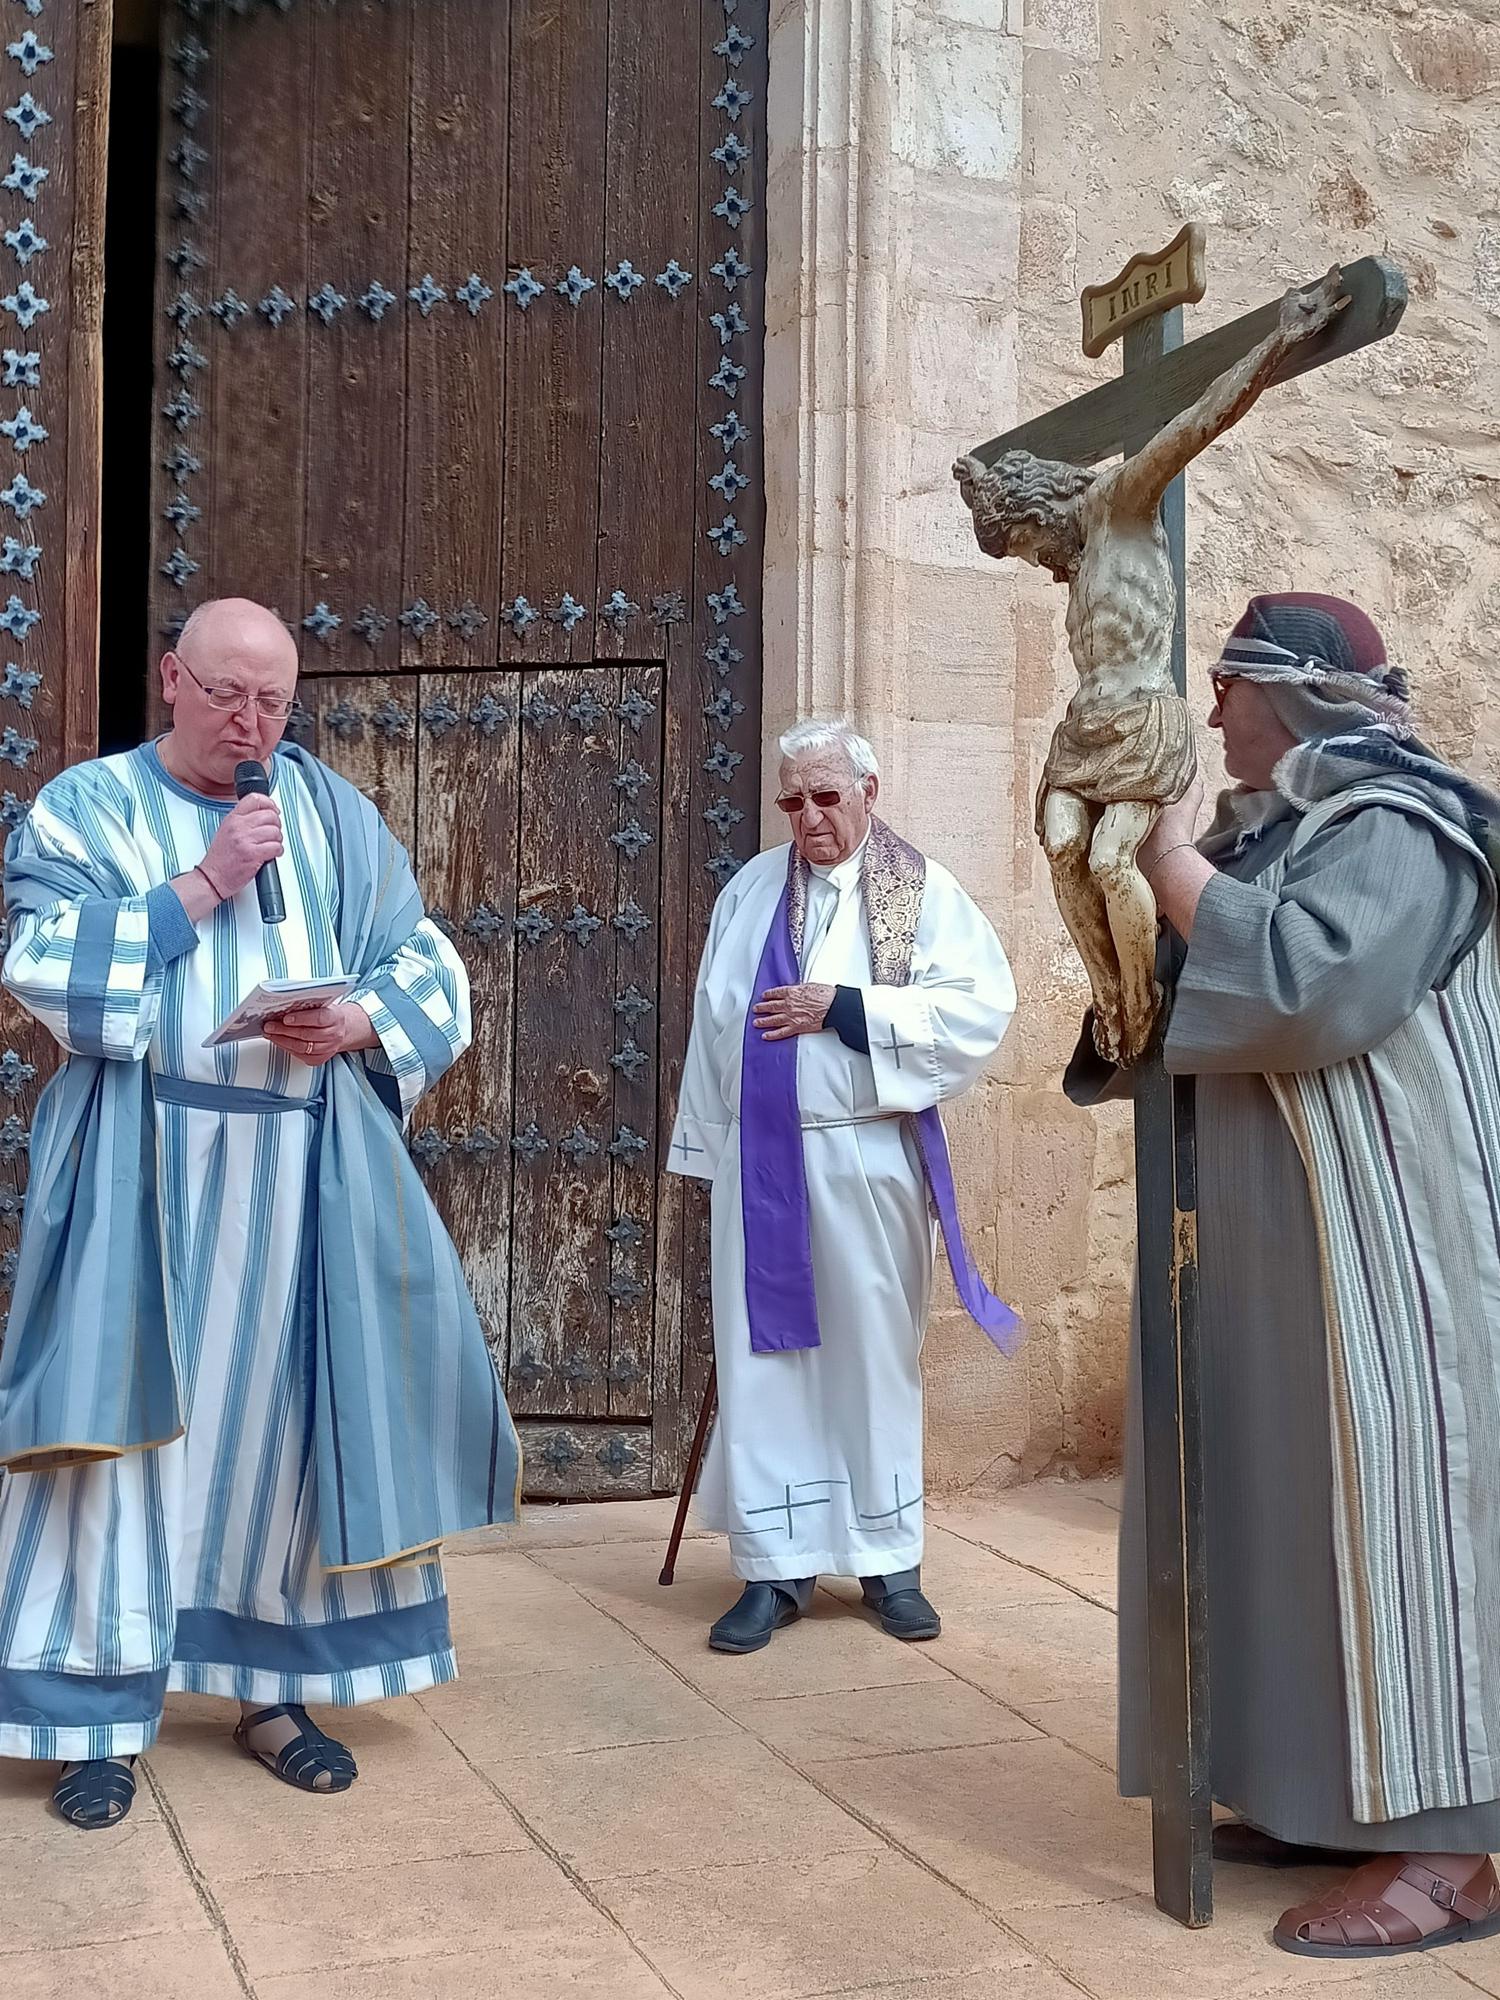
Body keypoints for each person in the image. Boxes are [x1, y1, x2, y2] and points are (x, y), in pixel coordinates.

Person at [0, 598, 520, 1829]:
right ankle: (95, 1717)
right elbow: (49, 966)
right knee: (117, 1453)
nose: (251, 722)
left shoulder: (333, 810)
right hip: (143, 1166)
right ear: (171, 679)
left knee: (278, 1444)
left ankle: (272, 1691)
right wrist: (202, 882)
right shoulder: (86, 806)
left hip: (295, 1179)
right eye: (228, 693)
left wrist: (352, 1022)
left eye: (274, 702)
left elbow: (424, 957)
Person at [1068, 593, 1500, 1959]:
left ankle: (1450, 1853)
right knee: (1282, 1515)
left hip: (1391, 1255)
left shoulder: (1398, 825)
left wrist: (1168, 860)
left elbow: (1313, 989)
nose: (1208, 715)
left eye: (1224, 690)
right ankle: (1328, 1795)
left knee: (1402, 1523)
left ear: (1291, 693)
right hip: (1272, 1253)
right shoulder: (1277, 833)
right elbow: (1161, 991)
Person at [669, 719, 1020, 1655]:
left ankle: (887, 1560)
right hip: (765, 1165)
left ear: (869, 791)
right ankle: (774, 1569)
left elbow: (980, 1008)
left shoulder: (924, 892)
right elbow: (712, 1022)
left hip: (867, 1159)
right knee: (766, 1362)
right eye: (793, 799)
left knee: (873, 1354)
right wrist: (708, 1150)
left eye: (827, 796)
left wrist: (843, 1008)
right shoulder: (748, 893)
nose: (810, 816)